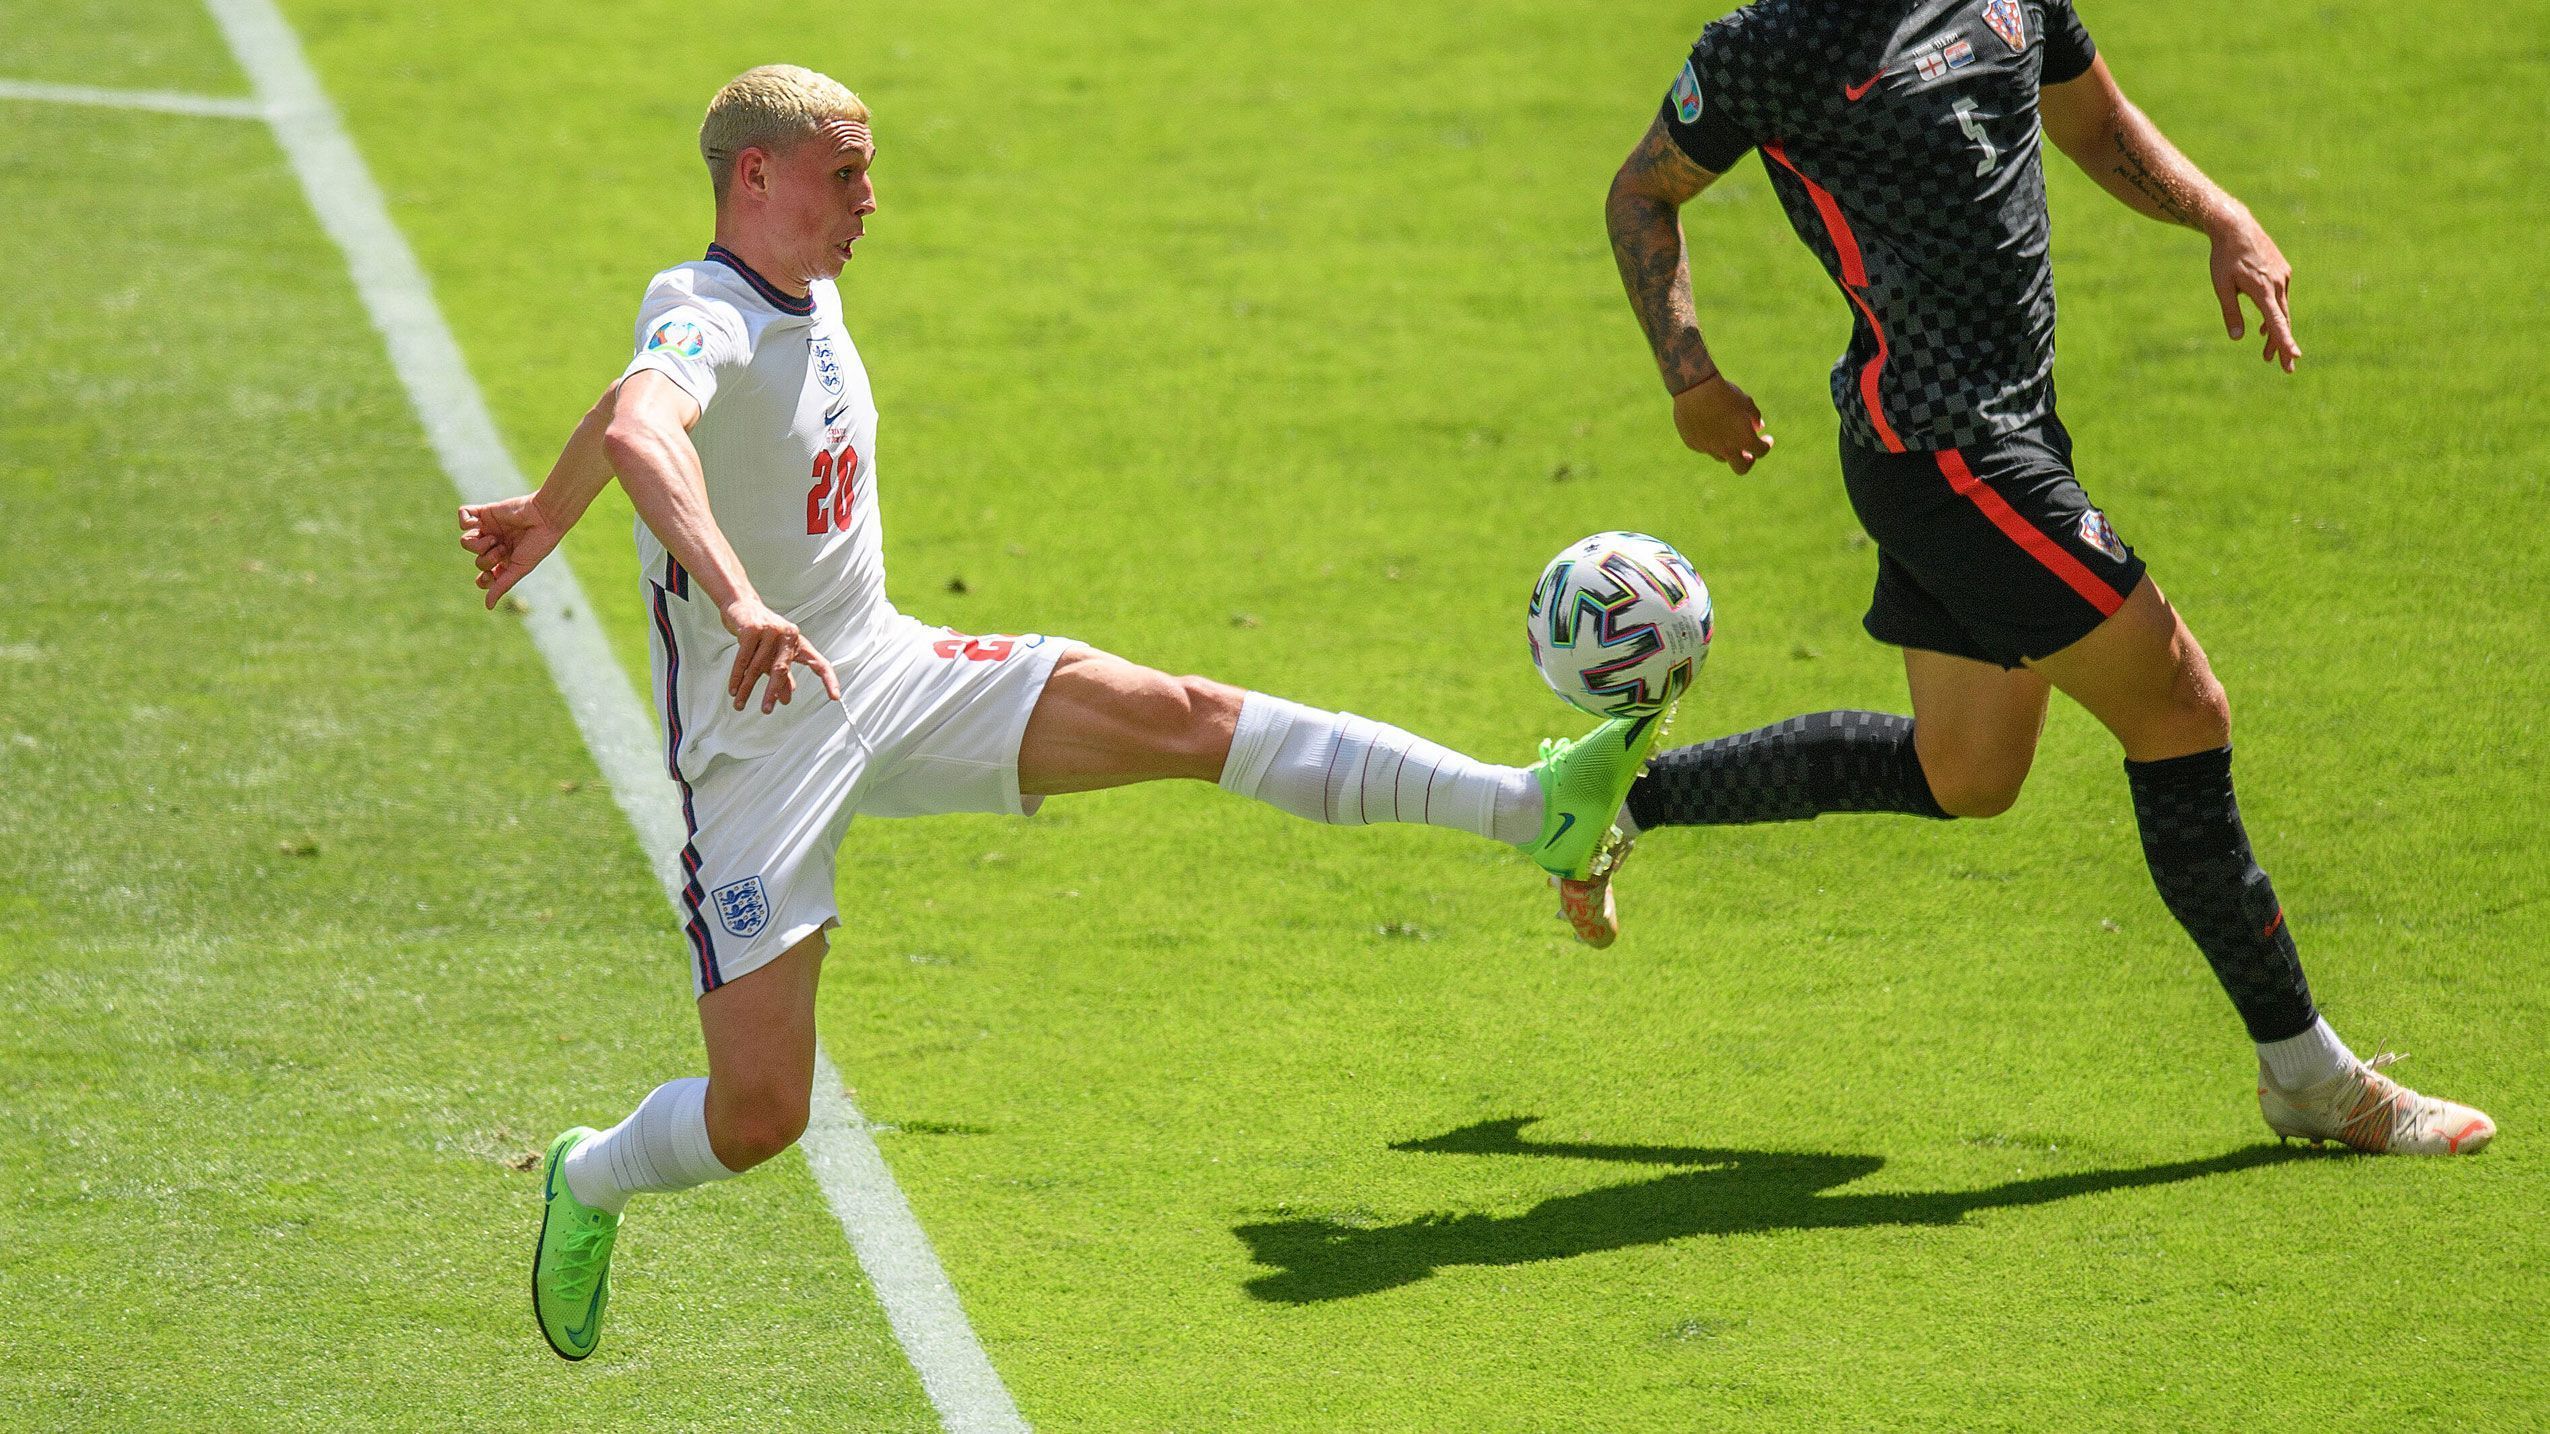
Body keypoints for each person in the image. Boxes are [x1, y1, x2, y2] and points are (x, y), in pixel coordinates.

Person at [458, 64, 1658, 1361]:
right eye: (844, 174)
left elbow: (626, 408)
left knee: (1186, 715)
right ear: (755, 175)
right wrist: (740, 599)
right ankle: (589, 1174)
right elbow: (648, 421)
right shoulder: (702, 305)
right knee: (760, 1115)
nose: (872, 199)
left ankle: (1534, 808)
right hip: (756, 750)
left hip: (889, 670)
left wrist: (544, 507)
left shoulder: (794, 290)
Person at [1585, 1, 2492, 1156]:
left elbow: (2092, 120)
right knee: (2181, 710)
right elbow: (1640, 191)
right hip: (1940, 452)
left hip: (2008, 435)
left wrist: (2218, 214)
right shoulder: (1771, 45)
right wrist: (1690, 377)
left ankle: (1628, 798)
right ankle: (2307, 1073)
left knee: (1967, 770)